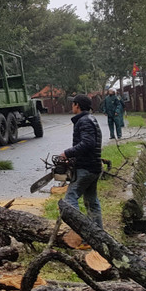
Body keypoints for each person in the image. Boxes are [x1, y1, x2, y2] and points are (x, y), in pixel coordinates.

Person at [59, 94, 103, 229]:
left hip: (86, 167)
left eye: (73, 104)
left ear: (77, 105)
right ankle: (98, 234)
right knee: (91, 201)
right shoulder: (90, 119)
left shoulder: (84, 121)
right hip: (93, 167)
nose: (72, 106)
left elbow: (88, 143)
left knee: (69, 200)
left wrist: (67, 153)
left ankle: (82, 233)